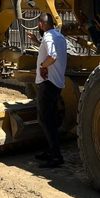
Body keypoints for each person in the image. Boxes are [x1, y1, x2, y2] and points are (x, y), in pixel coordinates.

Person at [26, 13, 68, 168]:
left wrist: (43, 66)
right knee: (50, 119)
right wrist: (37, 42)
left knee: (45, 120)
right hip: (56, 84)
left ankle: (56, 156)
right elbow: (49, 49)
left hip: (47, 83)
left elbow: (52, 56)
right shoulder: (59, 36)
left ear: (41, 25)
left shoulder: (48, 37)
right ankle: (50, 151)